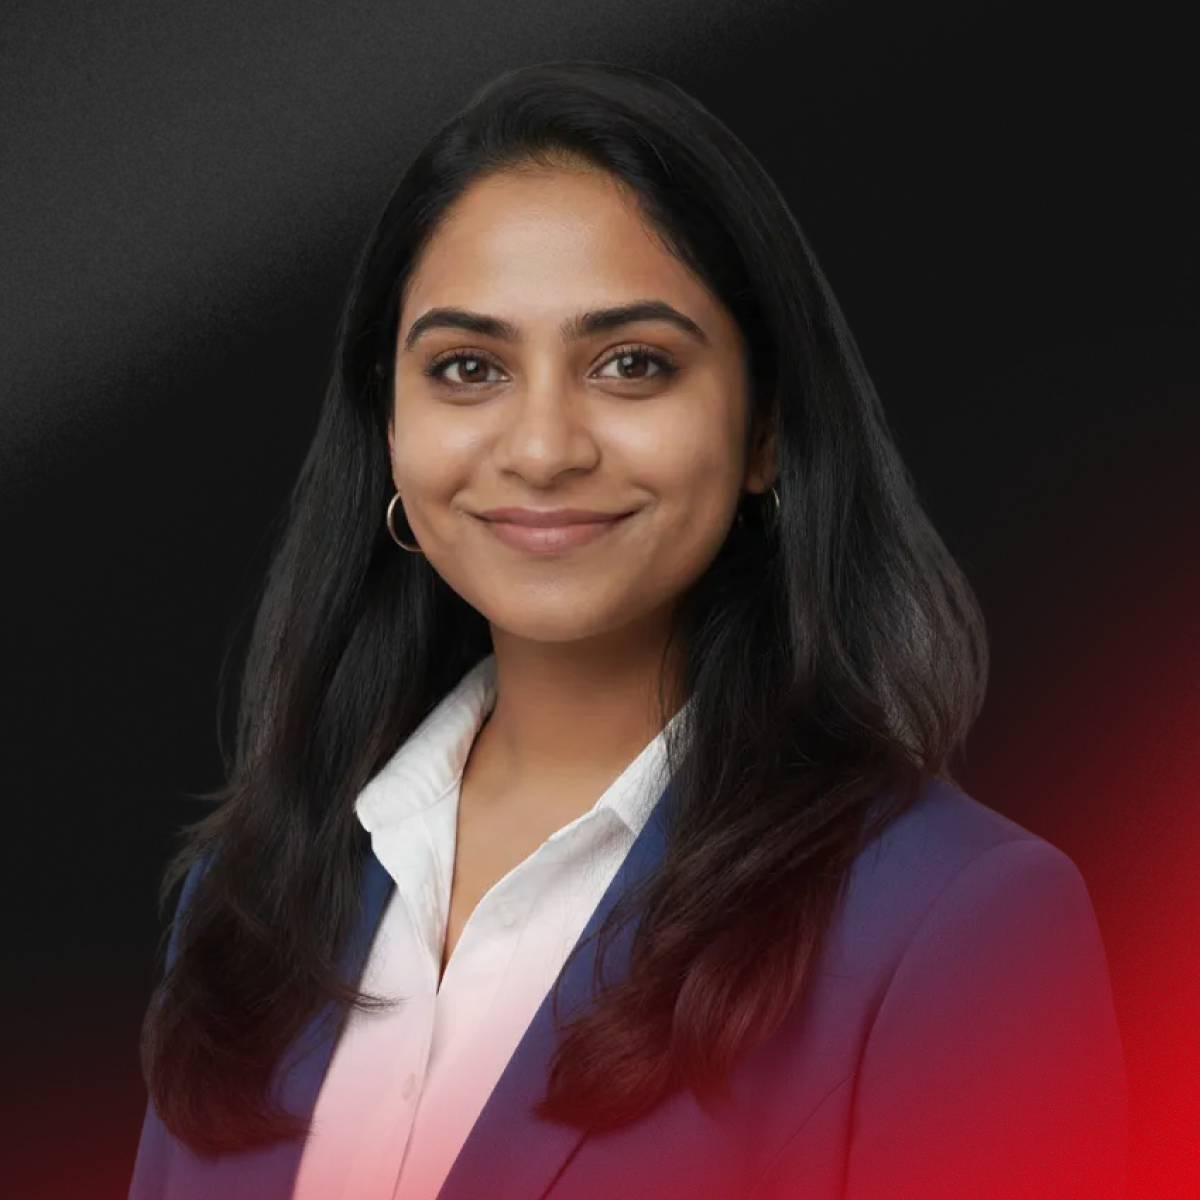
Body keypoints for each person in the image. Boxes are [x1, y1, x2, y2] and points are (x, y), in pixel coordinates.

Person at [127, 60, 1127, 1200]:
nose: (544, 447)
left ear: (763, 432)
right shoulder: (248, 902)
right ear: (391, 426)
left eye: (632, 364)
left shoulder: (959, 924)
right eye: (468, 368)